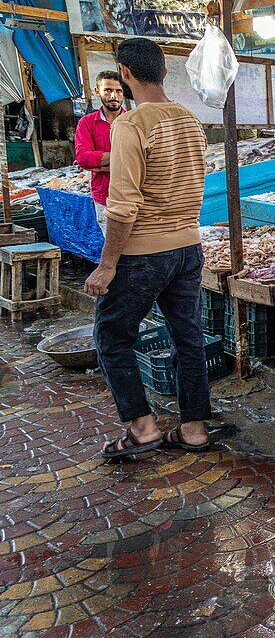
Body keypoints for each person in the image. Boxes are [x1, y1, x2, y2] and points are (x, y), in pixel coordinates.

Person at [84, 38, 213, 459]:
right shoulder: (191, 120)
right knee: (188, 337)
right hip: (188, 247)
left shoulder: (130, 125)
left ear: (124, 73)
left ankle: (142, 428)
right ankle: (193, 429)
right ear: (164, 71)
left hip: (143, 253)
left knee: (112, 336)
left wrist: (106, 265)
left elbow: (122, 207)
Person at [74, 71, 125, 234]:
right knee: (116, 250)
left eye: (118, 91)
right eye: (108, 90)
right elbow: (83, 158)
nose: (114, 96)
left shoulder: (133, 120)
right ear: (97, 91)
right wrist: (122, 160)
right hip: (105, 198)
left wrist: (100, 164)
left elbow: (145, 159)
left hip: (134, 197)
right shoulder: (87, 123)